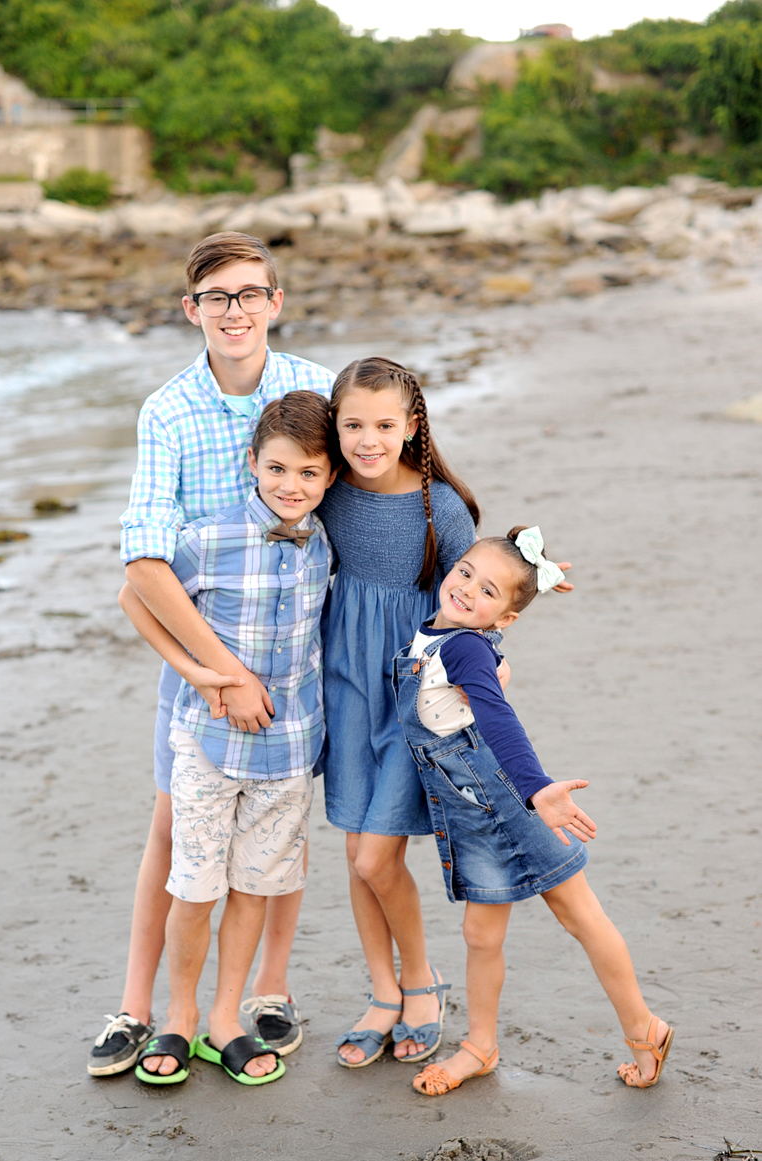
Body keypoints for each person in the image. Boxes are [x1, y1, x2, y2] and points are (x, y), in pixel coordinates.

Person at [88, 232, 333, 1079]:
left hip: (297, 660)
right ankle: (141, 1003)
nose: (237, 311)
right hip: (202, 669)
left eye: (251, 294)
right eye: (218, 297)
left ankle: (264, 990)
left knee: (279, 829)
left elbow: (381, 498)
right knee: (175, 828)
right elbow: (145, 563)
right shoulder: (168, 409)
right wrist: (221, 675)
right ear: (192, 309)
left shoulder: (317, 389)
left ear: (276, 301)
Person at [393, 527, 673, 1096]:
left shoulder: (465, 646)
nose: (469, 589)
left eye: (490, 592)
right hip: (472, 817)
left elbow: (498, 719)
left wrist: (538, 788)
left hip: (510, 806)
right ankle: (481, 1045)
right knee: (480, 935)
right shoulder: (436, 630)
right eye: (467, 572)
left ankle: (645, 1028)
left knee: (581, 917)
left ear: (504, 621)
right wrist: (528, 567)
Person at [316, 356, 514, 1068]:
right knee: (354, 851)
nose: (368, 439)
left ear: (412, 426)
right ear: (334, 426)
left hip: (414, 694)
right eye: (353, 424)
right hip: (344, 684)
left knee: (377, 853)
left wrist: (489, 662)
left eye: (384, 425)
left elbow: (477, 599)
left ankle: (421, 981)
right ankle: (382, 990)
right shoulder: (329, 492)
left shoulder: (440, 507)